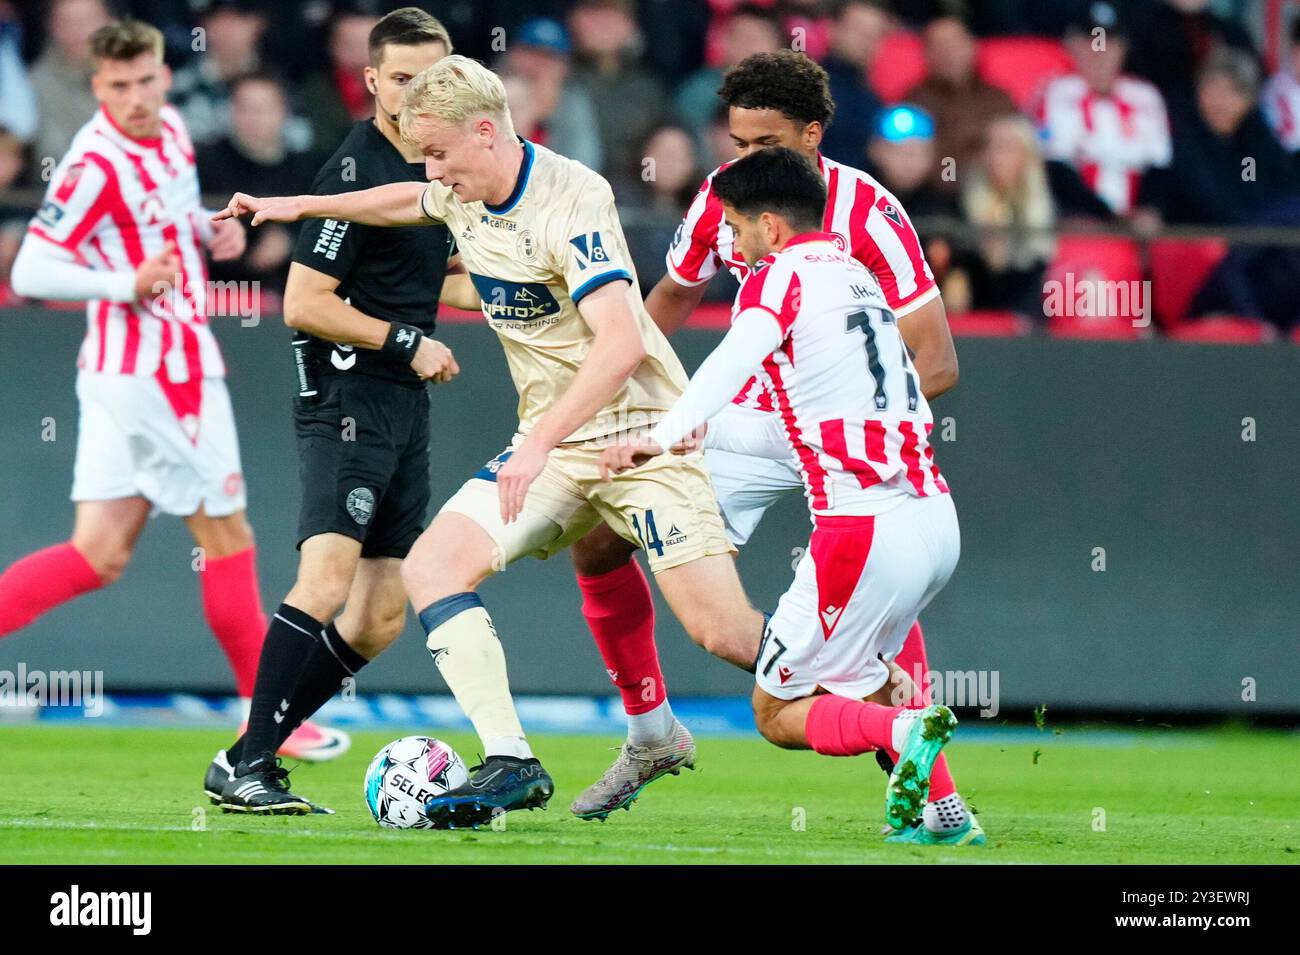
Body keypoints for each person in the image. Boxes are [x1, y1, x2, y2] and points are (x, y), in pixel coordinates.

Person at [214, 55, 774, 826]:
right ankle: (511, 758)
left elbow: (618, 344)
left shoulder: (574, 197)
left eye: (440, 151)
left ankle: (889, 704)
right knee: (434, 565)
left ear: (486, 131)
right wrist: (299, 204)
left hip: (637, 437)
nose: (433, 170)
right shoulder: (457, 191)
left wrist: (540, 441)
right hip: (557, 446)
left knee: (725, 633)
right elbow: (403, 199)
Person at [564, 51, 968, 824]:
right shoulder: (724, 200)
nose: (745, 163)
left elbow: (936, 358)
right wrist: (615, 388)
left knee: (872, 593)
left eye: (766, 144)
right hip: (745, 421)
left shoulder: (871, 214)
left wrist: (848, 411)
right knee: (602, 535)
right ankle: (652, 730)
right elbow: (672, 301)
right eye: (738, 143)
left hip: (839, 435)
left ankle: (925, 786)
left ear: (814, 133)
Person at [4, 17, 337, 761]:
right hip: (157, 374)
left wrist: (206, 234)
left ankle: (269, 719)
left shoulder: (176, 130)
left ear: (163, 73)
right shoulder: (92, 164)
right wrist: (125, 280)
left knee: (96, 555)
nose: (135, 97)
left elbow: (169, 218)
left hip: (136, 370)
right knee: (230, 538)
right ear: (97, 86)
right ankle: (273, 723)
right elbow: (30, 270)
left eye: (146, 80)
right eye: (117, 86)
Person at [205, 8, 483, 814]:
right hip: (346, 398)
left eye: (431, 79)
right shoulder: (353, 174)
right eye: (401, 79)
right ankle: (255, 765)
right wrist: (407, 342)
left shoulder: (432, 174)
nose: (416, 94)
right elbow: (303, 302)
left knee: (380, 613)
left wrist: (524, 293)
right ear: (370, 82)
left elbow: (434, 281)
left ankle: (242, 755)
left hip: (402, 406)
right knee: (324, 581)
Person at [1036, 4, 1171, 221]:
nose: (1100, 51)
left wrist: (1149, 209)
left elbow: (1160, 167)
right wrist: (1107, 216)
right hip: (1078, 221)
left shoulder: (1147, 98)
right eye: (1091, 43)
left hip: (1139, 230)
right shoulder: (1054, 94)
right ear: (1072, 46)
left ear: (1123, 48)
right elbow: (1053, 167)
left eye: (1108, 43)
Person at [904, 15, 1018, 198]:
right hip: (935, 200)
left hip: (997, 196)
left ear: (973, 46)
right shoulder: (914, 103)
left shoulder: (999, 100)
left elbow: (1019, 152)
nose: (949, 54)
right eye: (939, 47)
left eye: (955, 45)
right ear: (926, 55)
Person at [955, 114, 1056, 318]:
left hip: (1032, 314)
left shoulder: (1050, 200)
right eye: (989, 147)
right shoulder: (962, 202)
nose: (994, 156)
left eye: (1005, 147)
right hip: (981, 310)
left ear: (1026, 155)